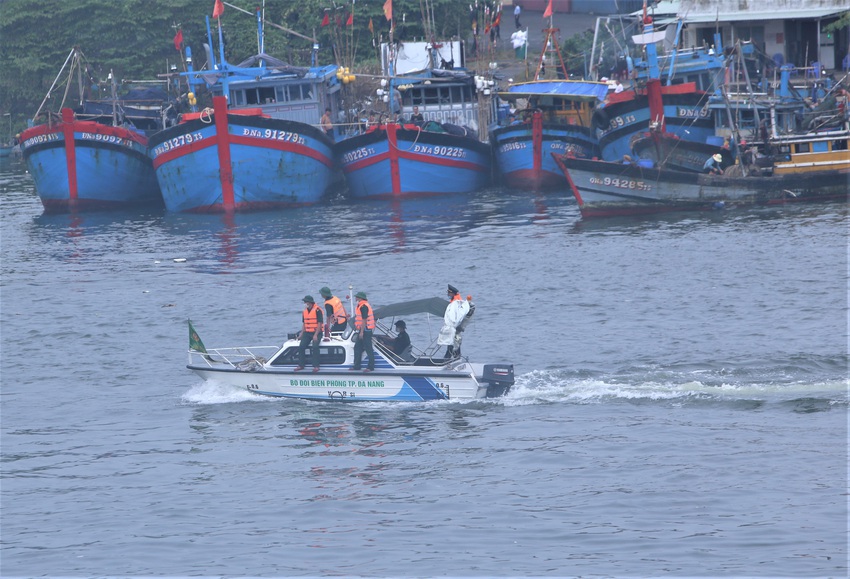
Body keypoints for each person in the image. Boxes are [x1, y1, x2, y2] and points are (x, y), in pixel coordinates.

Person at [438, 284, 472, 359]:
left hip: (453, 329)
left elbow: (456, 318)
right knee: (454, 347)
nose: (448, 294)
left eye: (449, 293)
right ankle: (455, 359)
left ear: (452, 293)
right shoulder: (456, 303)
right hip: (454, 329)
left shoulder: (456, 304)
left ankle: (447, 361)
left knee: (451, 347)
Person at [296, 295, 323, 372]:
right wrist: (301, 334)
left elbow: (319, 323)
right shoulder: (304, 311)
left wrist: (315, 335)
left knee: (315, 347)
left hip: (317, 332)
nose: (305, 303)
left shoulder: (318, 310)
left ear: (310, 302)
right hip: (307, 333)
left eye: (306, 302)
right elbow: (304, 323)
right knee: (301, 346)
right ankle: (301, 365)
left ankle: (316, 366)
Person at [350, 291, 375, 372]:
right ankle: (356, 366)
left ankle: (370, 367)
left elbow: (364, 319)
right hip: (363, 329)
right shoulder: (361, 305)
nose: (356, 298)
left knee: (368, 348)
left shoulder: (363, 306)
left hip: (365, 330)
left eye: (357, 297)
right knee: (357, 347)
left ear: (360, 298)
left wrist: (361, 332)